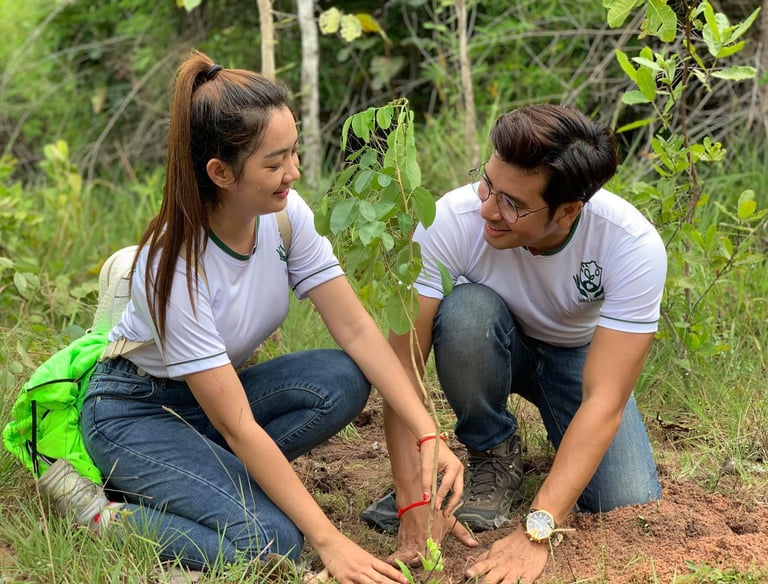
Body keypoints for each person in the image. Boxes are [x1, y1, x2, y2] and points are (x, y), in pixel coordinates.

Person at [80, 50, 464, 583]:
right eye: (275, 162)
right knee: (273, 541)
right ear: (220, 172)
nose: (294, 172)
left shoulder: (284, 217)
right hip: (138, 413)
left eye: (294, 152)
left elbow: (355, 329)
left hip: (213, 404)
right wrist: (331, 543)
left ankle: (195, 478)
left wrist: (427, 431)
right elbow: (237, 425)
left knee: (340, 377)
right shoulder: (173, 268)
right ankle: (103, 514)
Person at [378, 104, 666, 582]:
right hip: (485, 337)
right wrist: (411, 500)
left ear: (568, 211)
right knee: (467, 311)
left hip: (575, 356)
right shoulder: (450, 220)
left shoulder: (630, 245)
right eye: (487, 183)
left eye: (512, 203)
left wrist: (538, 529)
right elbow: (400, 369)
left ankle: (548, 464)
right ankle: (491, 450)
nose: (488, 209)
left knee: (624, 498)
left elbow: (605, 399)